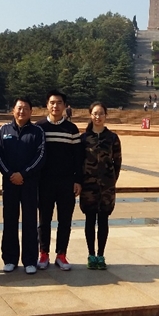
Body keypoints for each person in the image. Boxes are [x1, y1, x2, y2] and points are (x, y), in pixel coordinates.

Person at [0, 98, 46, 274]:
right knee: (10, 220)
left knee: (30, 221)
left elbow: (41, 156)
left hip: (30, 183)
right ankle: (10, 259)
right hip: (10, 183)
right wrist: (10, 174)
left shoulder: (37, 131)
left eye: (25, 108)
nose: (22, 111)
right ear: (13, 110)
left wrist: (23, 174)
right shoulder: (4, 130)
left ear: (31, 112)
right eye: (19, 108)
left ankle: (30, 260)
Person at [36, 90, 83, 271]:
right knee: (44, 220)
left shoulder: (71, 129)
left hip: (66, 182)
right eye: (52, 102)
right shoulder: (39, 127)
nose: (55, 106)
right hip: (44, 182)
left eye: (59, 103)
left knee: (65, 220)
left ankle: (61, 254)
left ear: (65, 106)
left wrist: (78, 180)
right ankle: (43, 253)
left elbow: (78, 158)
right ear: (47, 105)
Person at [80, 102, 122, 270]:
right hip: (88, 187)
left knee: (103, 220)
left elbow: (117, 162)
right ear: (90, 115)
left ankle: (101, 255)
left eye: (101, 113)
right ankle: (91, 255)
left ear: (106, 115)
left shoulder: (112, 138)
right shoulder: (84, 138)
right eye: (95, 113)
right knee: (90, 220)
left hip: (106, 188)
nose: (98, 117)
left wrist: (111, 181)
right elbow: (79, 162)